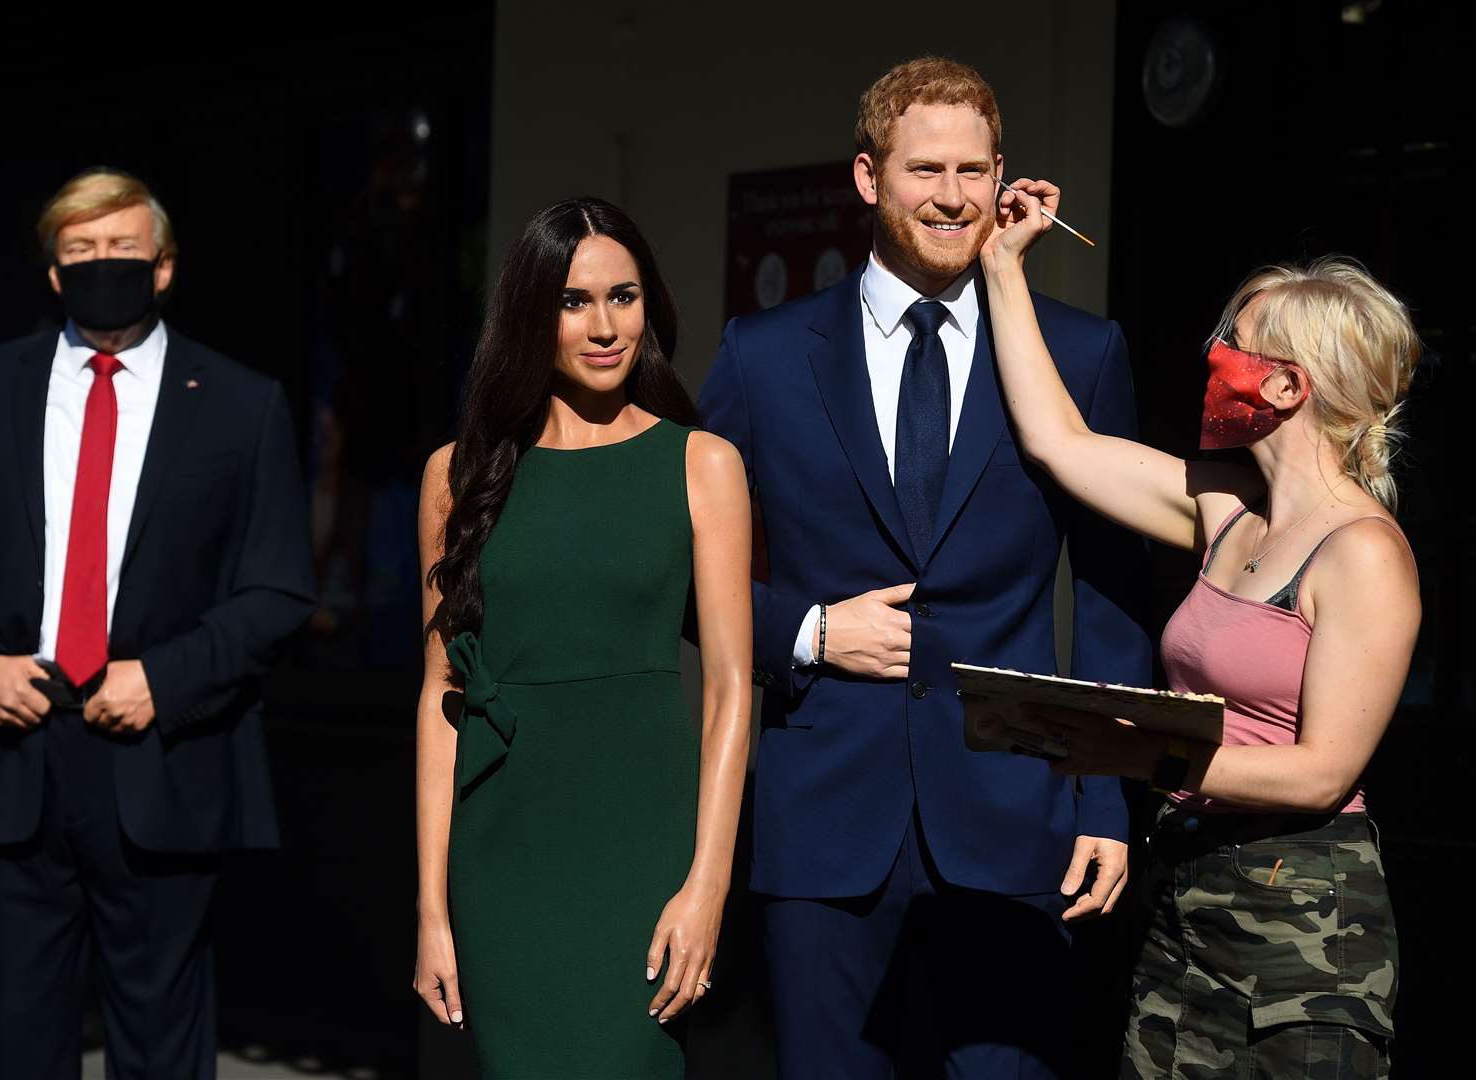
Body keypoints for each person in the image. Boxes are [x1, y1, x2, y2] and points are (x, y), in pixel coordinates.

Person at [697, 57, 1151, 1078]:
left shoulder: (1081, 355)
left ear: (1004, 180)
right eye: (925, 170)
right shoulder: (765, 355)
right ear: (868, 179)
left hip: (1016, 819)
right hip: (821, 827)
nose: (952, 196)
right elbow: (686, 575)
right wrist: (811, 633)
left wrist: (1107, 803)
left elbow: (1117, 599)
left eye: (975, 171)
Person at [979, 180, 1418, 1076]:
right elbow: (1058, 442)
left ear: (1287, 385)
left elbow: (1323, 771)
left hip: (1304, 926)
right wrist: (1000, 262)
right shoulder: (1227, 509)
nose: (1209, 355)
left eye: (1233, 344)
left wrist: (1133, 753)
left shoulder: (1363, 552)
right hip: (1188, 891)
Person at [0, 168, 316, 1080]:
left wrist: (163, 678)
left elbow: (279, 591)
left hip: (163, 758)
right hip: (12, 758)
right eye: (79, 252)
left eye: (120, 249)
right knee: (17, 1042)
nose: (100, 266)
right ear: (53, 273)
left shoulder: (244, 406)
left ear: (163, 267)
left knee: (163, 1044)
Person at [410, 197, 752, 1079]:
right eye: (573, 302)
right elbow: (440, 694)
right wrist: (432, 910)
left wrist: (706, 886)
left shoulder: (701, 463)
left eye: (623, 296)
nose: (604, 327)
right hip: (502, 853)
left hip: (642, 848)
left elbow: (727, 690)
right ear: (532, 316)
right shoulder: (457, 475)